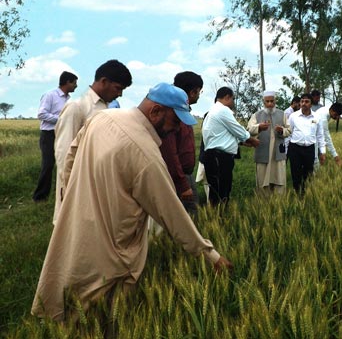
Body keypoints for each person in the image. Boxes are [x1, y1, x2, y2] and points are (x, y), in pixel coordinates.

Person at [31, 83, 233, 322]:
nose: (176, 129)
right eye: (175, 122)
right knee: (105, 311)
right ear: (156, 112)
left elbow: (71, 156)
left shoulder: (103, 118)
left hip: (77, 225)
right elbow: (172, 214)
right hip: (114, 246)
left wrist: (74, 194)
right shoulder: (145, 154)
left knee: (70, 284)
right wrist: (211, 255)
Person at [52, 59, 132, 224]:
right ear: (104, 82)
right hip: (78, 182)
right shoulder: (77, 106)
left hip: (98, 180)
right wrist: (70, 188)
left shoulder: (105, 108)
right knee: (71, 229)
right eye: (118, 88)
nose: (120, 94)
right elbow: (63, 153)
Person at [202, 87, 259, 206]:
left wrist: (242, 142)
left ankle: (216, 219)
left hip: (213, 156)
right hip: (219, 158)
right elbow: (237, 129)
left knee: (216, 192)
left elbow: (223, 135)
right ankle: (219, 219)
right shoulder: (223, 110)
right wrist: (251, 139)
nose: (233, 102)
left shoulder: (213, 110)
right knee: (222, 192)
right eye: (233, 99)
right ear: (227, 97)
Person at [160, 71, 203, 215]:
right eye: (199, 92)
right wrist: (182, 184)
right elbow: (170, 152)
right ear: (192, 92)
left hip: (184, 174)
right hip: (178, 175)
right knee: (186, 215)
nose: (199, 95)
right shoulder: (174, 115)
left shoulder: (183, 112)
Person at [32, 71, 78, 202]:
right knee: (48, 165)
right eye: (74, 83)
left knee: (66, 163)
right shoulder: (50, 95)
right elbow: (41, 114)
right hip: (49, 135)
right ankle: (40, 196)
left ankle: (63, 194)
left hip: (64, 133)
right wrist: (61, 119)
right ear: (67, 82)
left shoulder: (70, 100)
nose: (76, 86)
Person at [247, 91, 290, 194]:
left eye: (272, 101)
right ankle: (264, 204)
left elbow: (289, 130)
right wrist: (259, 127)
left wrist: (281, 130)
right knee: (262, 181)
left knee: (279, 180)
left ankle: (280, 203)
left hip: (278, 152)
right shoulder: (256, 115)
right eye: (267, 101)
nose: (270, 104)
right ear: (263, 102)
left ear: (275, 101)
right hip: (262, 152)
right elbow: (248, 130)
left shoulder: (282, 114)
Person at [287, 93, 326, 194]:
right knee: (296, 173)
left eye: (307, 101)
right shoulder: (293, 116)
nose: (304, 103)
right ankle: (297, 194)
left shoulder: (317, 117)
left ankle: (305, 193)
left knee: (308, 173)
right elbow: (288, 133)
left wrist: (322, 152)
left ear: (311, 104)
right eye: (302, 101)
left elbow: (320, 135)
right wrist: (287, 151)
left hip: (309, 149)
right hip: (295, 148)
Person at [314, 102, 342, 168]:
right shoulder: (323, 118)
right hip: (311, 139)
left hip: (315, 137)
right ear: (331, 110)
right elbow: (326, 138)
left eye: (338, 115)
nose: (337, 118)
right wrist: (336, 157)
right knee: (315, 164)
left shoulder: (326, 110)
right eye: (336, 115)